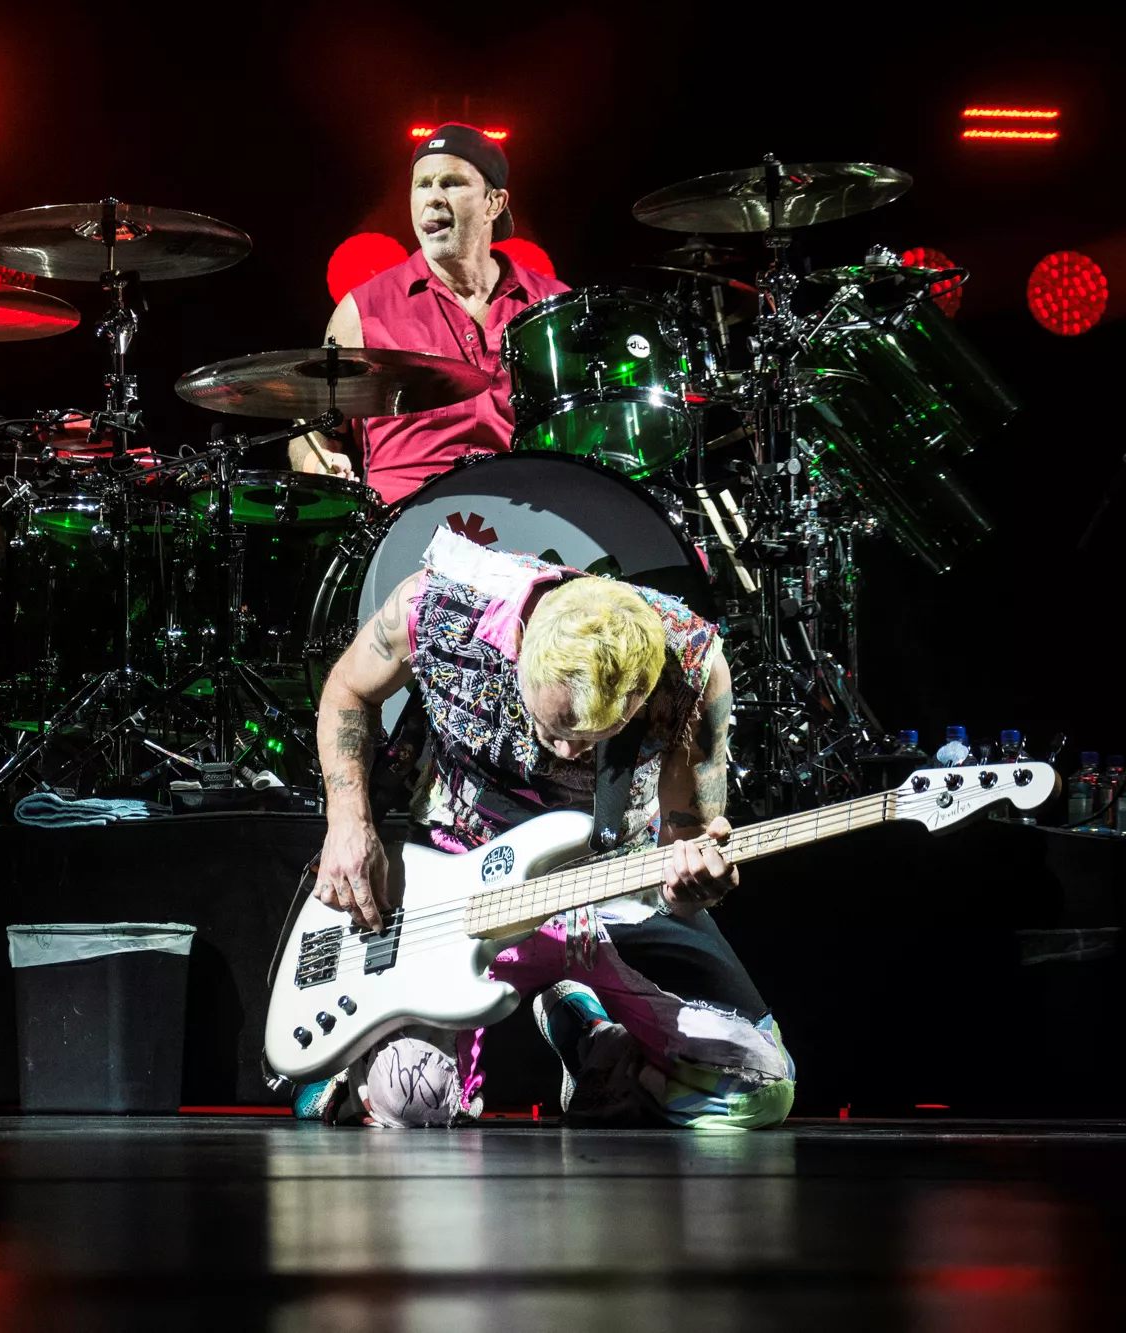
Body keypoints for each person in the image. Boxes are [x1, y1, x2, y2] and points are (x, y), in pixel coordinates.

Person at [304, 525, 794, 1129]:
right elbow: (349, 690)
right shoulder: (436, 607)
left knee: (757, 1089)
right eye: (555, 727)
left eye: (595, 736)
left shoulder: (692, 663)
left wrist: (692, 883)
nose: (567, 750)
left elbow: (683, 840)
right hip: (463, 880)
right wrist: (348, 822)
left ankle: (588, 1032)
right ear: (521, 647)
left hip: (613, 884)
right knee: (412, 1097)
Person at [289, 123, 569, 504]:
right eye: (422, 185)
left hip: (526, 514)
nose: (433, 198)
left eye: (451, 183)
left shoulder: (553, 305)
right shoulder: (362, 310)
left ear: (494, 203)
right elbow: (311, 431)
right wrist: (316, 463)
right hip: (402, 520)